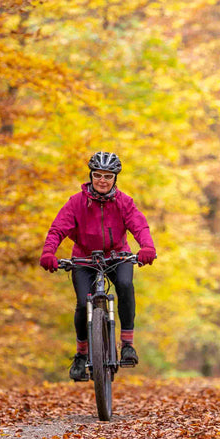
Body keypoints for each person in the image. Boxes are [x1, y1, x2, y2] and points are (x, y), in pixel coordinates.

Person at [39, 151, 156, 381]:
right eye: (98, 175)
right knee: (83, 304)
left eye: (108, 176)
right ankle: (81, 355)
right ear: (91, 176)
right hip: (84, 259)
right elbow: (57, 229)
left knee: (124, 284)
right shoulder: (76, 202)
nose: (103, 180)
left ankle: (128, 344)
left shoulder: (124, 202)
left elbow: (140, 227)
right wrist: (48, 252)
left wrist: (147, 248)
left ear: (115, 179)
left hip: (117, 255)